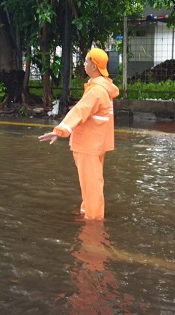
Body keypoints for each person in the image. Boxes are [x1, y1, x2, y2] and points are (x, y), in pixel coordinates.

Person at [38, 48, 120, 220]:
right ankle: (87, 211)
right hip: (95, 144)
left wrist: (58, 131)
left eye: (86, 61)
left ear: (94, 66)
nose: (83, 64)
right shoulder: (102, 89)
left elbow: (79, 111)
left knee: (91, 185)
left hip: (89, 145)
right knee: (91, 183)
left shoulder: (96, 91)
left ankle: (93, 222)